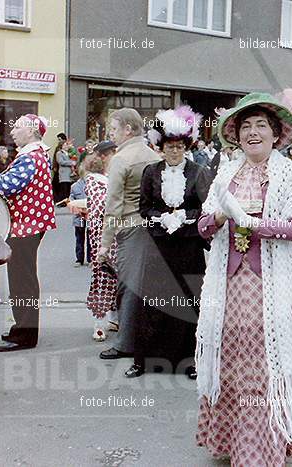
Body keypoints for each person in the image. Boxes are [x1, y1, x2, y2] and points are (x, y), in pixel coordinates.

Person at [195, 92, 292, 465]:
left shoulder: (291, 173)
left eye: (261, 125)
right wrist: (221, 218)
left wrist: (255, 224)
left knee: (264, 365)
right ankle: (232, 442)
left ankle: (264, 445)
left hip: (271, 287)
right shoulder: (225, 174)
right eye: (245, 126)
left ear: (277, 134)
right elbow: (201, 227)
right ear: (236, 135)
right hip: (228, 288)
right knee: (229, 360)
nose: (253, 132)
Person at [125, 105, 208, 378]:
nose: (174, 151)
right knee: (152, 302)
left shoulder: (198, 172)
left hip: (188, 247)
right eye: (169, 146)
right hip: (159, 247)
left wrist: (185, 216)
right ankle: (143, 361)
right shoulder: (151, 172)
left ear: (186, 146)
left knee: (188, 302)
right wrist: (161, 218)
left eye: (179, 146)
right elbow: (144, 208)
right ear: (160, 146)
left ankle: (189, 361)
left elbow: (205, 209)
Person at [98, 108, 162, 359]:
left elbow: (112, 205)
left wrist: (105, 243)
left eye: (113, 129)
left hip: (130, 227)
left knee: (127, 286)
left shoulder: (121, 159)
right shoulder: (152, 155)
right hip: (151, 227)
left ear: (128, 129)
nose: (110, 134)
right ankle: (143, 338)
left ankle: (126, 343)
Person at [0, 114, 56, 352]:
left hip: (24, 226)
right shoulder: (37, 155)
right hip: (30, 225)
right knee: (23, 279)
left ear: (30, 131)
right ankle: (23, 328)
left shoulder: (29, 157)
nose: (12, 131)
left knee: (22, 281)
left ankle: (26, 334)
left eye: (17, 127)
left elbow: (7, 186)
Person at [79, 154, 119, 342]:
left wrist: (97, 242)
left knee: (102, 279)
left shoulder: (92, 183)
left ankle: (99, 324)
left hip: (103, 239)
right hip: (117, 235)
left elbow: (97, 211)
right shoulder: (108, 182)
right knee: (117, 279)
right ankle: (115, 319)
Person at [69, 173, 91, 266]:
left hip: (90, 214)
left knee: (91, 237)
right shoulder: (74, 186)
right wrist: (76, 209)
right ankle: (79, 259)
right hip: (78, 216)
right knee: (79, 238)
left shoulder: (93, 184)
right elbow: (71, 199)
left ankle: (90, 259)